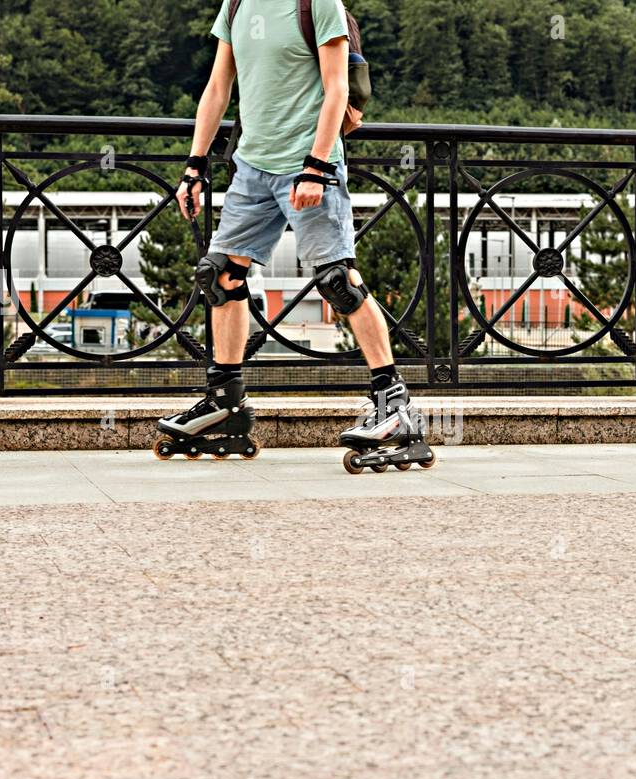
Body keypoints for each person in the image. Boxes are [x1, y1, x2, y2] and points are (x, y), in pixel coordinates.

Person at [154, 0, 434, 473]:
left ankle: (397, 408)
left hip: (308, 165)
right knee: (220, 276)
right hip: (251, 166)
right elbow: (218, 85)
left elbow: (336, 86)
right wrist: (195, 165)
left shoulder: (317, 2)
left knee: (338, 281)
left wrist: (318, 164)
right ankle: (227, 404)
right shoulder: (237, 4)